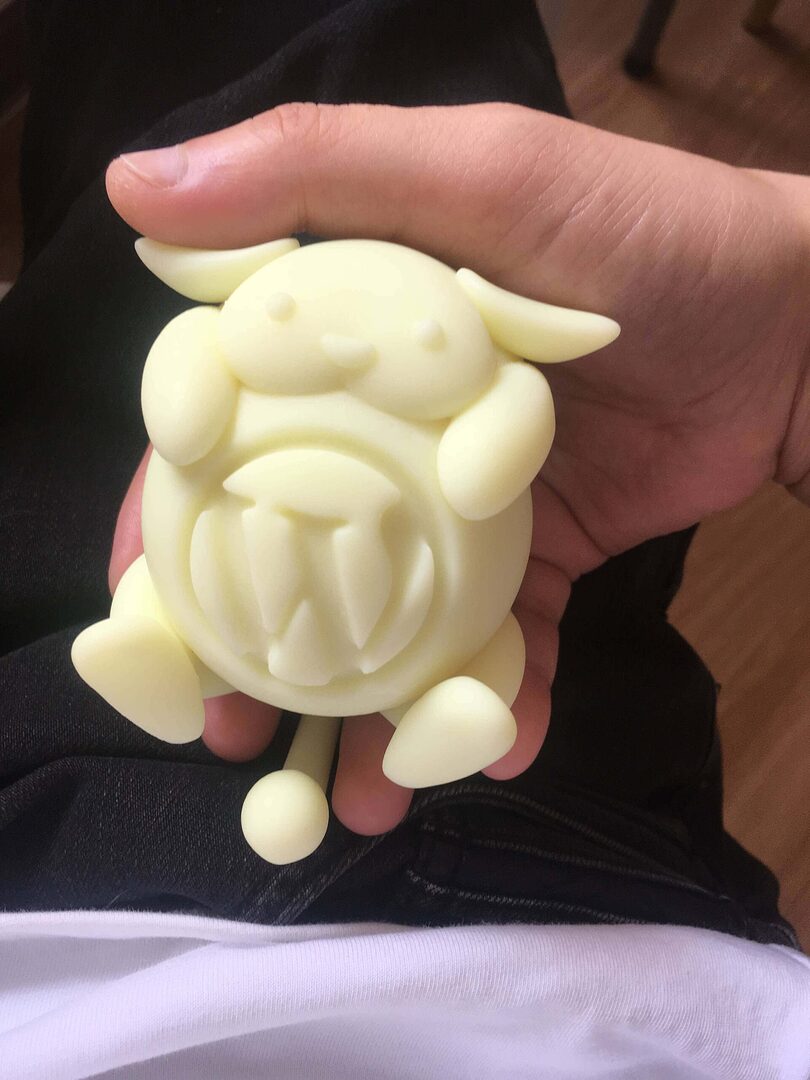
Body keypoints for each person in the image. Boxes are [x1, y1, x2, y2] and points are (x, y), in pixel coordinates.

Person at [0, 1, 808, 1076]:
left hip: (62, 869)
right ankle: (172, 652)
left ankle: (398, 701)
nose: (345, 346)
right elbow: (187, 368)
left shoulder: (485, 389)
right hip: (614, 926)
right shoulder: (256, 349)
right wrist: (792, 346)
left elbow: (488, 439)